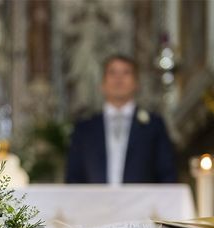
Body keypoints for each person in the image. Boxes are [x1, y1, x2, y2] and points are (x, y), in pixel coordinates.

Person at [66, 54, 177, 184]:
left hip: (141, 202)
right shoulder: (84, 129)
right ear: (102, 83)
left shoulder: (154, 125)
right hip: (94, 202)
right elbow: (73, 177)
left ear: (136, 83)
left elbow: (167, 174)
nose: (118, 79)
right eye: (112, 73)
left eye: (126, 73)